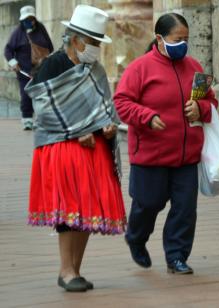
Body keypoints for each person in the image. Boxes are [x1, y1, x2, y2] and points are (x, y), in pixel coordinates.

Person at [25, 5, 126, 292]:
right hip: (62, 148)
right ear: (75, 39)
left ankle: (76, 270)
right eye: (91, 42)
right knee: (69, 210)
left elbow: (104, 107)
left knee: (85, 210)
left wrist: (108, 127)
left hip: (94, 150)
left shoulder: (94, 69)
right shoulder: (53, 65)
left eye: (97, 43)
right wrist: (78, 131)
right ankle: (66, 270)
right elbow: (44, 110)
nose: (94, 48)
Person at [114, 13, 218, 274]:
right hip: (151, 155)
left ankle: (177, 256)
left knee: (185, 210)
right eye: (177, 39)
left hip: (186, 156)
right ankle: (136, 238)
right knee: (148, 203)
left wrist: (201, 108)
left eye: (186, 39)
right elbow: (122, 102)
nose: (183, 44)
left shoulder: (194, 67)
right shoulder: (140, 68)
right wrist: (147, 117)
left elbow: (212, 102)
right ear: (160, 39)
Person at [4, 5, 53, 130]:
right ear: (22, 21)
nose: (29, 22)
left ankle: (41, 119)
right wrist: (13, 63)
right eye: (26, 19)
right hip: (24, 71)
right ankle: (27, 120)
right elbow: (8, 50)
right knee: (26, 95)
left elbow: (50, 46)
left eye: (31, 19)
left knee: (42, 95)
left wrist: (45, 59)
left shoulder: (40, 28)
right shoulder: (17, 33)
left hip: (41, 69)